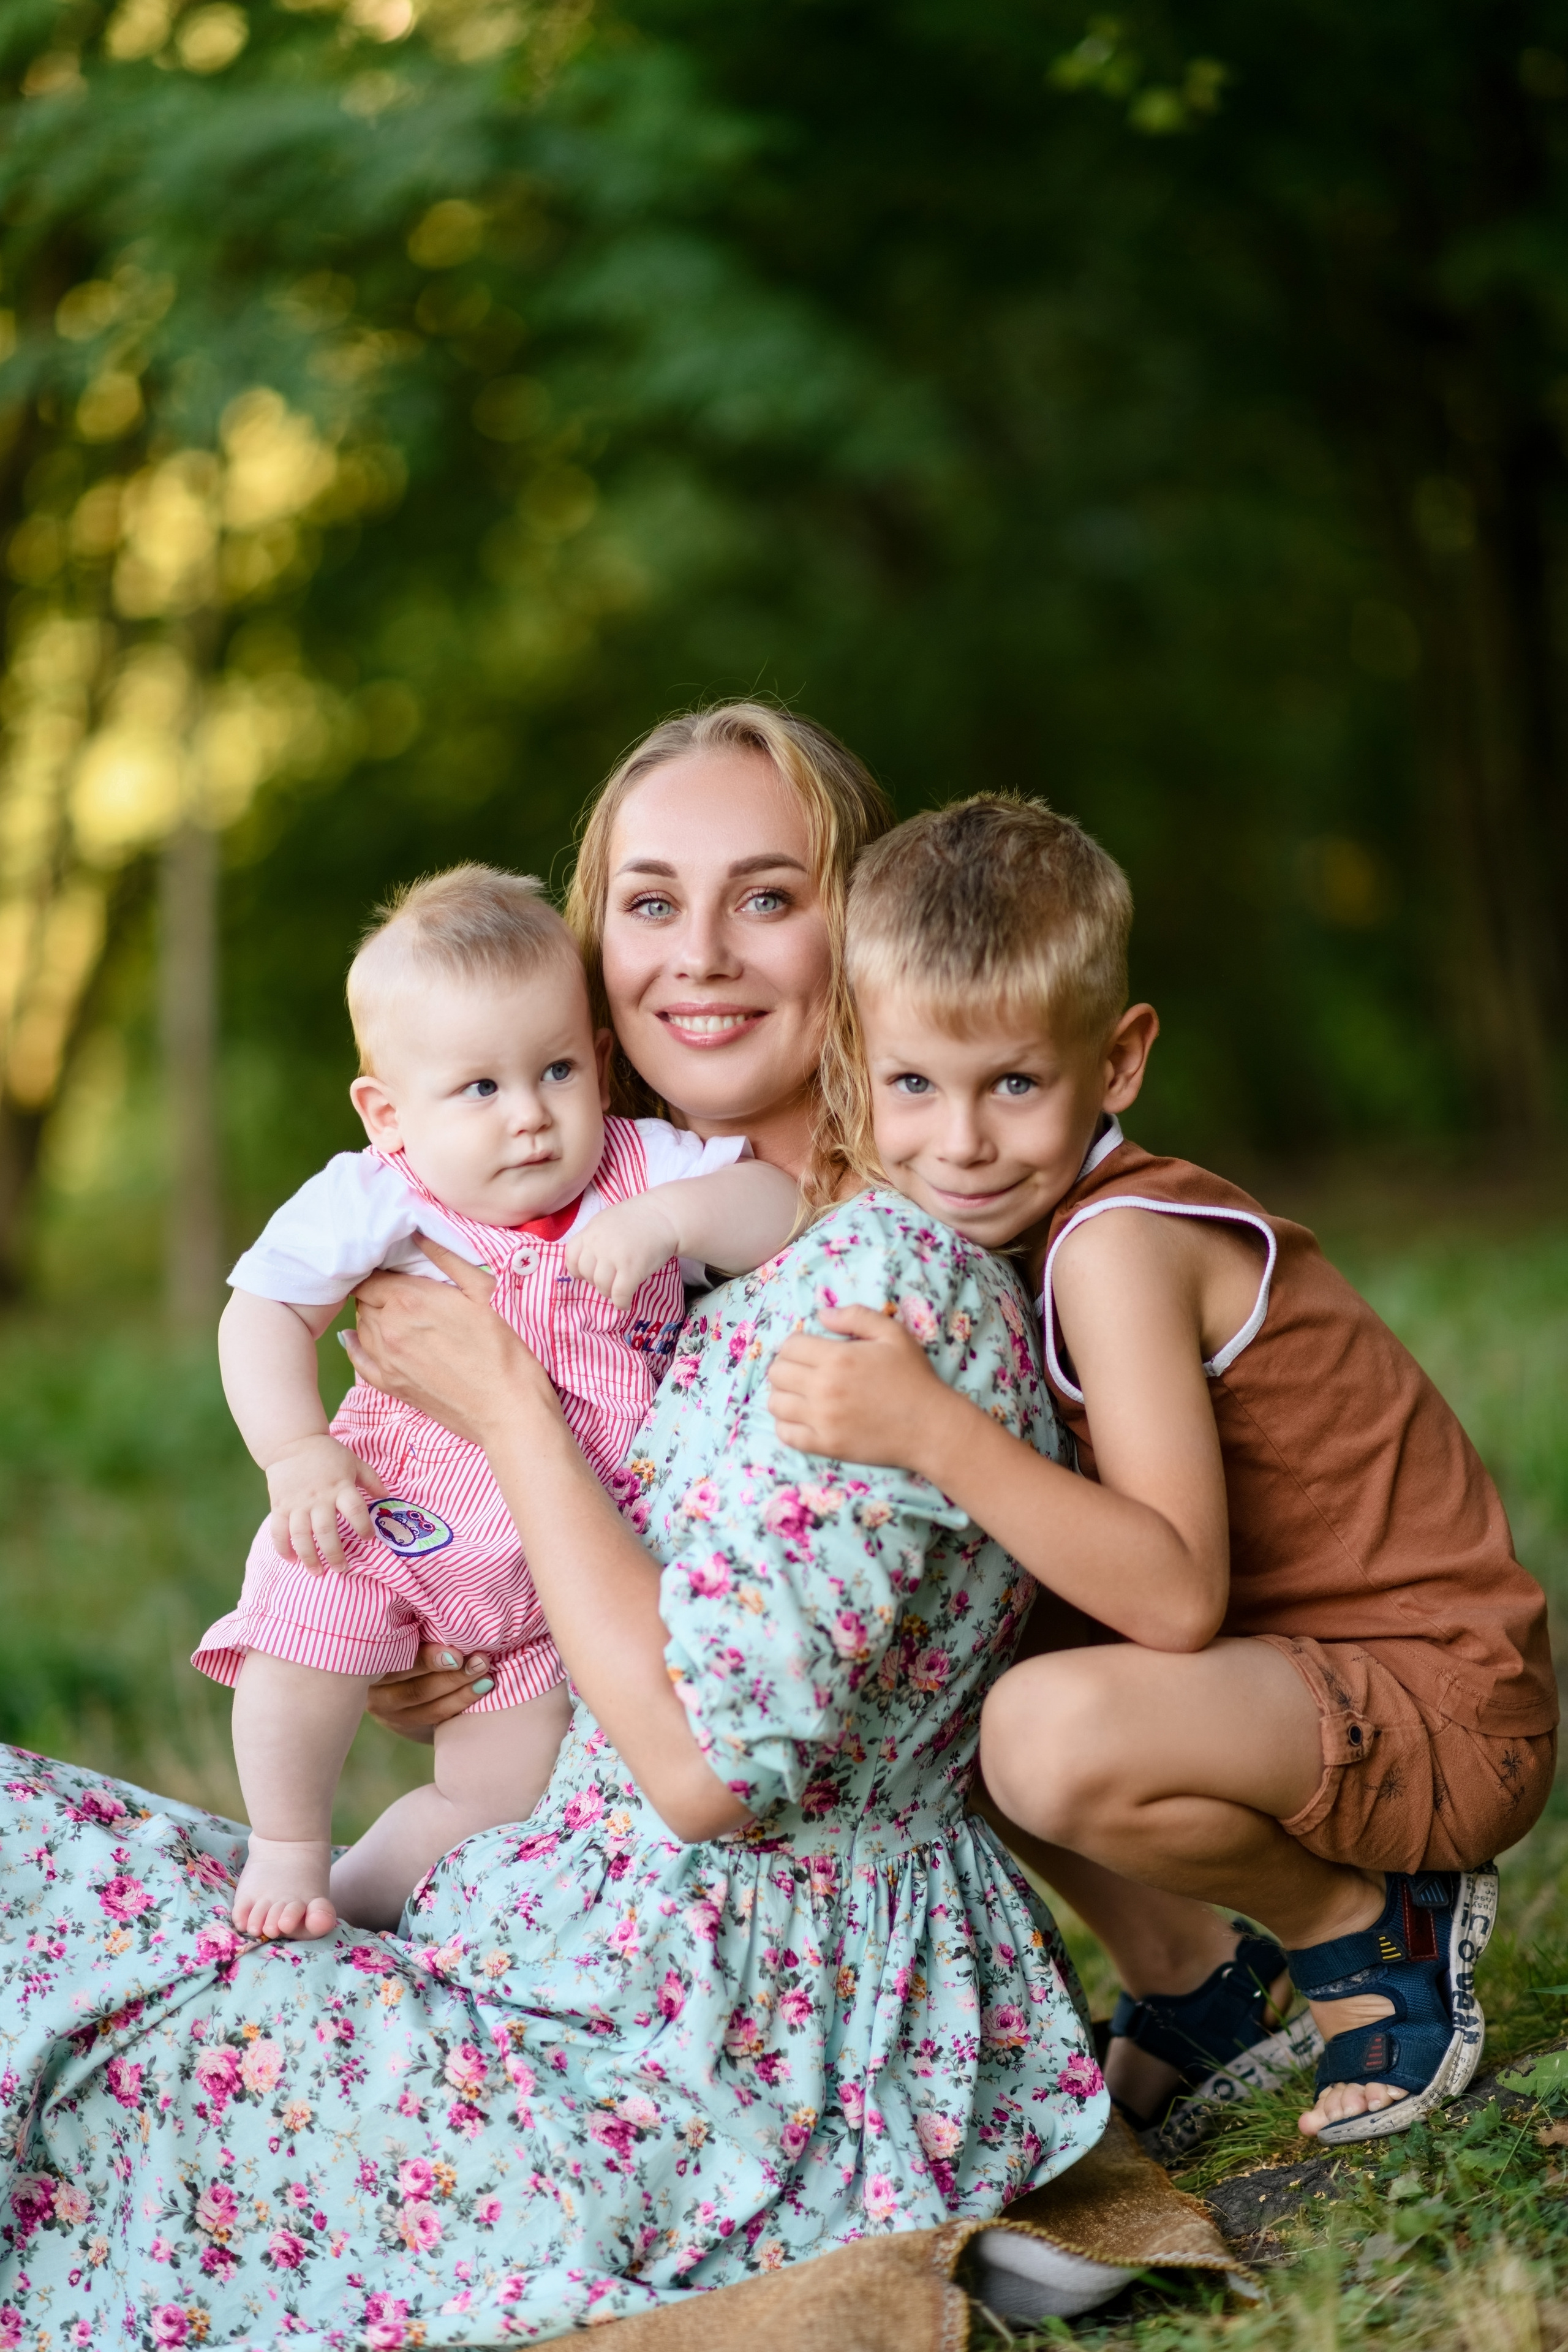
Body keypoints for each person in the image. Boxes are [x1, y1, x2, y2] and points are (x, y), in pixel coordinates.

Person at [0, 709, 1118, 2349]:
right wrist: (436, 1612)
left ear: (865, 934)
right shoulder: (681, 1265)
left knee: (85, 2021)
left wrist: (507, 1410)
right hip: (538, 1918)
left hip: (696, 2048)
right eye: (652, 905)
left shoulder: (879, 1288)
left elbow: (706, 1770)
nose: (702, 957)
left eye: (768, 896)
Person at [763, 795, 1556, 2150]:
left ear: (1116, 1061)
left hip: (1434, 1706)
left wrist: (930, 1430)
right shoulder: (1001, 1237)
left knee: (1034, 1733)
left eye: (1012, 1084)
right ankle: (1193, 1981)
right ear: (857, 1061)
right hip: (1290, 1697)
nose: (958, 1142)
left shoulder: (1112, 1245)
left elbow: (1176, 1594)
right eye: (912, 1084)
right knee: (913, 1673)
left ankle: (1369, 1927)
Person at [194, 864, 798, 1943]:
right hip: (386, 1523)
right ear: (388, 1113)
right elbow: (263, 1314)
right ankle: (286, 1847)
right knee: (305, 1637)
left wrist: (675, 1221)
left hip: (572, 1570)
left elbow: (779, 1203)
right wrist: (294, 1452)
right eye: (480, 1089)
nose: (530, 1117)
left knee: (498, 1801)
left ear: (600, 1062)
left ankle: (371, 1894)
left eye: (557, 1070)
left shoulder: (638, 1167)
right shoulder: (377, 1195)